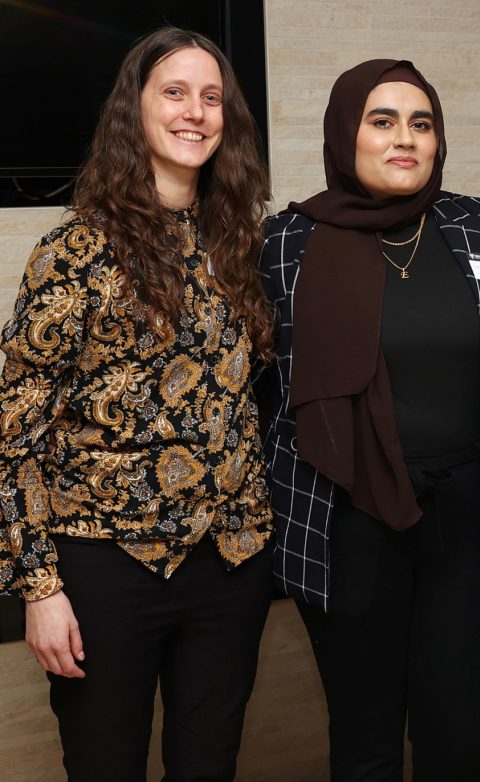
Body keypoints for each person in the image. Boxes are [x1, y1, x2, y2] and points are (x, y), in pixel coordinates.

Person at [256, 59, 480, 781]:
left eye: (421, 124)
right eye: (383, 120)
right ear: (345, 134)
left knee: (458, 740)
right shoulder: (284, 244)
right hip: (344, 518)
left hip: (469, 519)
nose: (406, 139)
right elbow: (260, 384)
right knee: (364, 746)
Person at [0, 27, 274, 781]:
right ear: (136, 110)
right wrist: (40, 590)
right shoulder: (77, 250)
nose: (196, 113)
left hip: (230, 563)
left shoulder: (239, 245)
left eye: (212, 97)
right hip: (103, 571)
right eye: (175, 93)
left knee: (208, 766)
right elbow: (11, 433)